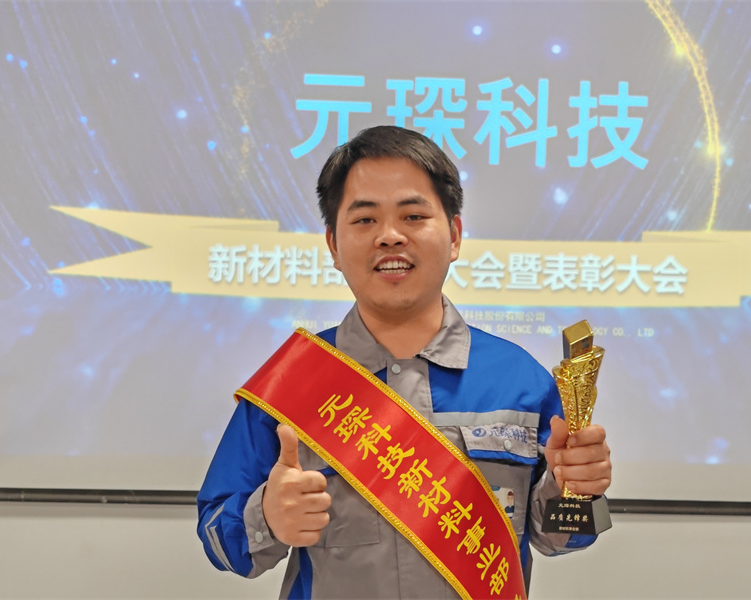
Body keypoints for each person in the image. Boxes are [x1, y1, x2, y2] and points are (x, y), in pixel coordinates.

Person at [197, 125, 612, 599]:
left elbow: (562, 537)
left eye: (413, 216)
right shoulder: (293, 383)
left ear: (454, 236)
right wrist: (268, 518)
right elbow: (218, 540)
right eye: (365, 220)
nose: (390, 236)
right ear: (333, 245)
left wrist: (576, 490)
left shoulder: (521, 380)